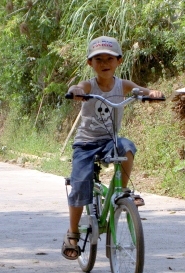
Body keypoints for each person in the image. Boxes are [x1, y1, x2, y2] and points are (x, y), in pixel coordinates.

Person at [61, 36, 164, 260]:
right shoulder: (89, 85)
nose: (104, 62)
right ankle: (73, 232)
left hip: (110, 141)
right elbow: (77, 86)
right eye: (98, 59)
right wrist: (76, 91)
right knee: (80, 184)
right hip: (86, 144)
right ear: (90, 63)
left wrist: (152, 94)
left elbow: (141, 90)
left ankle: (121, 191)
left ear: (119, 61)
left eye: (109, 58)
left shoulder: (123, 85)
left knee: (127, 146)